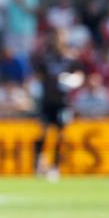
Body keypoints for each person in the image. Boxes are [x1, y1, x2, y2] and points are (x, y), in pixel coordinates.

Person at [30, 27, 82, 181]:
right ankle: (39, 162)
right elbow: (38, 77)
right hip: (47, 101)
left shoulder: (70, 59)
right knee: (44, 132)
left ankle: (55, 167)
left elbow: (79, 75)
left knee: (61, 135)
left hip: (62, 103)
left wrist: (72, 80)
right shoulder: (45, 58)